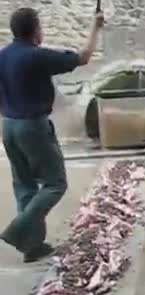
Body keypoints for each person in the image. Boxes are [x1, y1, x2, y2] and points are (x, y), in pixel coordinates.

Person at [0, 8, 104, 262]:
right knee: (55, 184)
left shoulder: (2, 56)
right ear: (36, 30)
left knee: (24, 185)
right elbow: (84, 57)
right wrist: (96, 27)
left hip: (8, 125)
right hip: (33, 126)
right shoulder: (37, 56)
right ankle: (20, 228)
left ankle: (32, 247)